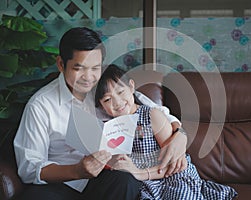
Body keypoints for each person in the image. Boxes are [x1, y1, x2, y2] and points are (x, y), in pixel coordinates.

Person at [13, 27, 187, 200]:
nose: (88, 77)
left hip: (106, 178)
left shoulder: (107, 88)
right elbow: (29, 167)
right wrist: (76, 171)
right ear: (61, 64)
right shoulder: (40, 105)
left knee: (126, 180)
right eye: (79, 68)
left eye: (95, 68)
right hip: (63, 182)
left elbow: (151, 110)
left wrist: (180, 134)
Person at [95, 64, 238, 200]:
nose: (117, 102)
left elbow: (175, 163)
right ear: (101, 106)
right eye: (107, 99)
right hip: (145, 183)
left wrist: (140, 174)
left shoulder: (151, 115)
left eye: (121, 92)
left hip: (172, 177)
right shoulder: (109, 128)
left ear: (131, 86)